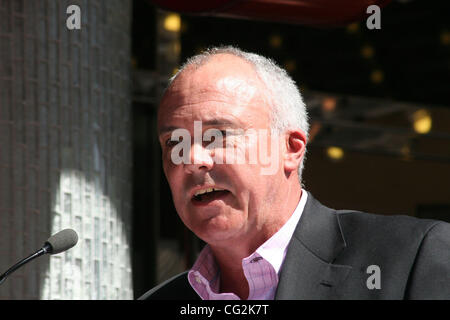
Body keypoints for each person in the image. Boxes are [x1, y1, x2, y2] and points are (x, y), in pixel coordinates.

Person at [139, 46, 450, 300]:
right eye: (173, 142)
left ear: (290, 149)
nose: (192, 159)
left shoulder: (411, 259)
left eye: (217, 135)